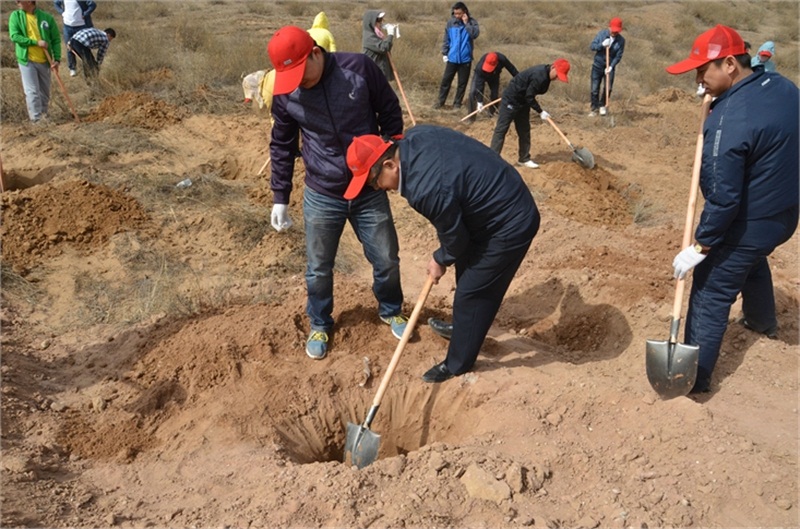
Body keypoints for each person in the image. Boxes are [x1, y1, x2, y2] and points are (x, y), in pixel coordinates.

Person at [343, 125, 540, 383]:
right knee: (467, 267)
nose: (377, 188)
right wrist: (449, 254)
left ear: (390, 165)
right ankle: (464, 329)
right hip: (490, 205)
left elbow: (456, 239)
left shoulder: (424, 189)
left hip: (509, 221)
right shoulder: (415, 137)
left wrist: (440, 258)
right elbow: (457, 232)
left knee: (473, 291)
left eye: (373, 180)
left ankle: (458, 364)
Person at [665, 24, 799, 394]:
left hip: (751, 219)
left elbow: (724, 198)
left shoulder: (728, 122)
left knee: (710, 288)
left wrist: (701, 246)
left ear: (729, 65)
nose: (698, 79)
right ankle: (760, 321)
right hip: (785, 213)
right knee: (751, 258)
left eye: (702, 71)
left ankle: (693, 380)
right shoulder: (783, 86)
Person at [266, 25, 408, 360]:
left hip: (368, 189)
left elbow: (390, 113)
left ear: (316, 52)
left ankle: (391, 309)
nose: (299, 82)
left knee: (386, 258)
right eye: (290, 77)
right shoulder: (286, 92)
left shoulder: (358, 69)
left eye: (301, 72)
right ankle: (319, 321)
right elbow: (282, 144)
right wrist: (280, 196)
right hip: (322, 191)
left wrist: (387, 162)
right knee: (318, 266)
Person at [489, 59, 570, 169]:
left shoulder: (546, 76)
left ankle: (524, 159)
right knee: (501, 129)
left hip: (524, 102)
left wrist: (538, 110)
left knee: (524, 131)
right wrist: (540, 111)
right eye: (557, 75)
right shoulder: (539, 76)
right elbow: (529, 96)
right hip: (511, 99)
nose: (557, 78)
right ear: (553, 67)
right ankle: (491, 159)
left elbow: (528, 96)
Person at [8, 0, 62, 123]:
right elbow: (14, 36)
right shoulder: (15, 16)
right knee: (32, 91)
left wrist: (57, 59)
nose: (17, 2)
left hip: (45, 60)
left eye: (19, 0)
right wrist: (35, 43)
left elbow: (55, 40)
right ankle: (36, 120)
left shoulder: (47, 18)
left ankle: (44, 116)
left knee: (44, 92)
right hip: (27, 60)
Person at [435, 1, 479, 109]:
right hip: (452, 58)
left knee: (462, 83)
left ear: (465, 12)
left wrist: (466, 23)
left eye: (459, 13)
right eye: (455, 13)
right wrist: (445, 52)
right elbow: (446, 39)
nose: (457, 16)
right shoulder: (450, 23)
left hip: (465, 59)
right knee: (446, 81)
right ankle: (440, 102)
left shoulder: (472, 22)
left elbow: (474, 35)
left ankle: (457, 104)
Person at [589, 17, 625, 116]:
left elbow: (618, 56)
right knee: (594, 88)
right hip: (597, 65)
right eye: (613, 30)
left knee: (608, 88)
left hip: (609, 67)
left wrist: (611, 66)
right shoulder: (601, 35)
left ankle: (602, 106)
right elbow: (592, 46)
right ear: (609, 27)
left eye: (616, 31)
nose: (614, 33)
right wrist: (601, 45)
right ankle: (594, 108)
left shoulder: (621, 41)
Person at [466, 51, 518, 121]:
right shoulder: (480, 67)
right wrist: (480, 102)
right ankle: (471, 119)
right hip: (481, 75)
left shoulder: (502, 59)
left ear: (496, 63)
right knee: (473, 93)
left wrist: (520, 79)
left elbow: (512, 69)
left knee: (494, 95)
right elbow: (479, 86)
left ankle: (492, 115)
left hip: (494, 76)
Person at [53, 0, 95, 77]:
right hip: (68, 26)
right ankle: (72, 68)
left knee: (84, 48)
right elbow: (56, 3)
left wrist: (85, 14)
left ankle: (88, 67)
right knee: (69, 47)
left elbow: (92, 5)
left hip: (81, 26)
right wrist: (62, 13)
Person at [362, 10, 398, 82]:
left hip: (378, 73)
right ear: (371, 22)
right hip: (372, 74)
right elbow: (384, 48)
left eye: (381, 20)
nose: (381, 23)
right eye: (378, 20)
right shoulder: (369, 37)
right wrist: (390, 34)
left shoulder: (377, 34)